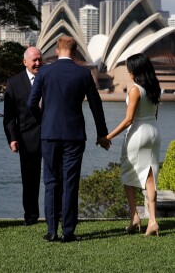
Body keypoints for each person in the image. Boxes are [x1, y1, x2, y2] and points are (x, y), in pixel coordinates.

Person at [27, 36, 110, 242]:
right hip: (74, 136)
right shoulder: (83, 73)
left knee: (51, 181)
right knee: (70, 182)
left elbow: (31, 104)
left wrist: (43, 122)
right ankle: (68, 231)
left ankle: (52, 230)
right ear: (75, 52)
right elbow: (95, 105)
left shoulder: (44, 72)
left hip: (49, 134)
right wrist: (102, 133)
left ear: (57, 50)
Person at [104, 53, 161, 236]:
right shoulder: (154, 87)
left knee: (128, 175)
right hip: (154, 132)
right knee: (150, 176)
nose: (128, 72)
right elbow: (155, 114)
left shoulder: (135, 89)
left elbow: (129, 120)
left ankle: (135, 216)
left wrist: (108, 136)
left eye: (129, 68)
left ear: (135, 70)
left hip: (138, 134)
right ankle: (152, 220)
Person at [3, 47, 43, 226]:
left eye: (39, 59)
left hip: (51, 136)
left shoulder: (48, 77)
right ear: (25, 62)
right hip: (27, 139)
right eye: (34, 60)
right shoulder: (13, 83)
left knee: (55, 178)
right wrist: (12, 138)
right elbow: (10, 116)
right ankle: (31, 216)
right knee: (30, 181)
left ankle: (56, 214)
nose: (37, 63)